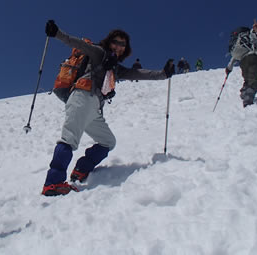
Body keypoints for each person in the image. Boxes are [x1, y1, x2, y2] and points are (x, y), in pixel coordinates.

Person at [41, 20, 174, 196]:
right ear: (109, 42)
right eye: (116, 42)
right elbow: (77, 43)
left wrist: (163, 74)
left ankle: (81, 169)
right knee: (69, 139)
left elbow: (138, 73)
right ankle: (53, 183)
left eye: (122, 44)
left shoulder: (117, 69)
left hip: (94, 109)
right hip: (81, 97)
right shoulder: (98, 52)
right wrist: (57, 33)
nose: (118, 46)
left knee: (108, 142)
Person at [225, 19, 257, 107]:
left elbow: (235, 56)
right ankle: (248, 101)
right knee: (255, 82)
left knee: (248, 80)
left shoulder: (247, 38)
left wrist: (230, 66)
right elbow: (254, 34)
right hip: (254, 58)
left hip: (243, 61)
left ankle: (244, 93)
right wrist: (256, 29)